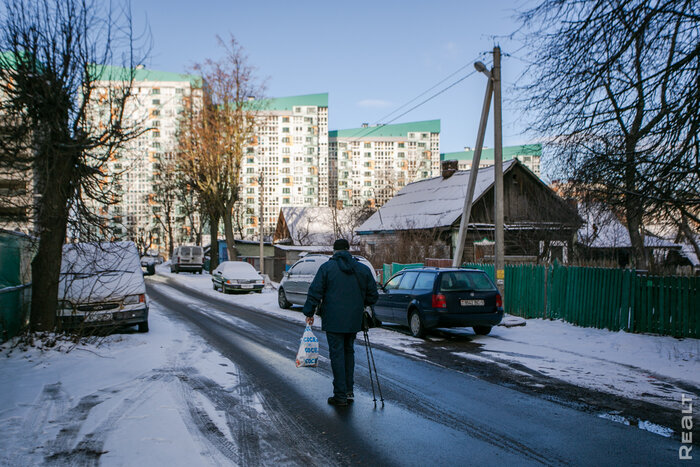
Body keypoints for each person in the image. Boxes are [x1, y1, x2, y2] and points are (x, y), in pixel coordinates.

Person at [303, 239, 378, 406]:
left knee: (337, 355)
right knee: (348, 352)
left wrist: (309, 312)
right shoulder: (362, 269)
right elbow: (373, 296)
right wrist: (359, 304)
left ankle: (340, 395)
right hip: (353, 320)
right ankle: (348, 391)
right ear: (348, 250)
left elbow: (315, 291)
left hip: (333, 320)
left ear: (334, 251)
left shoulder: (327, 268)